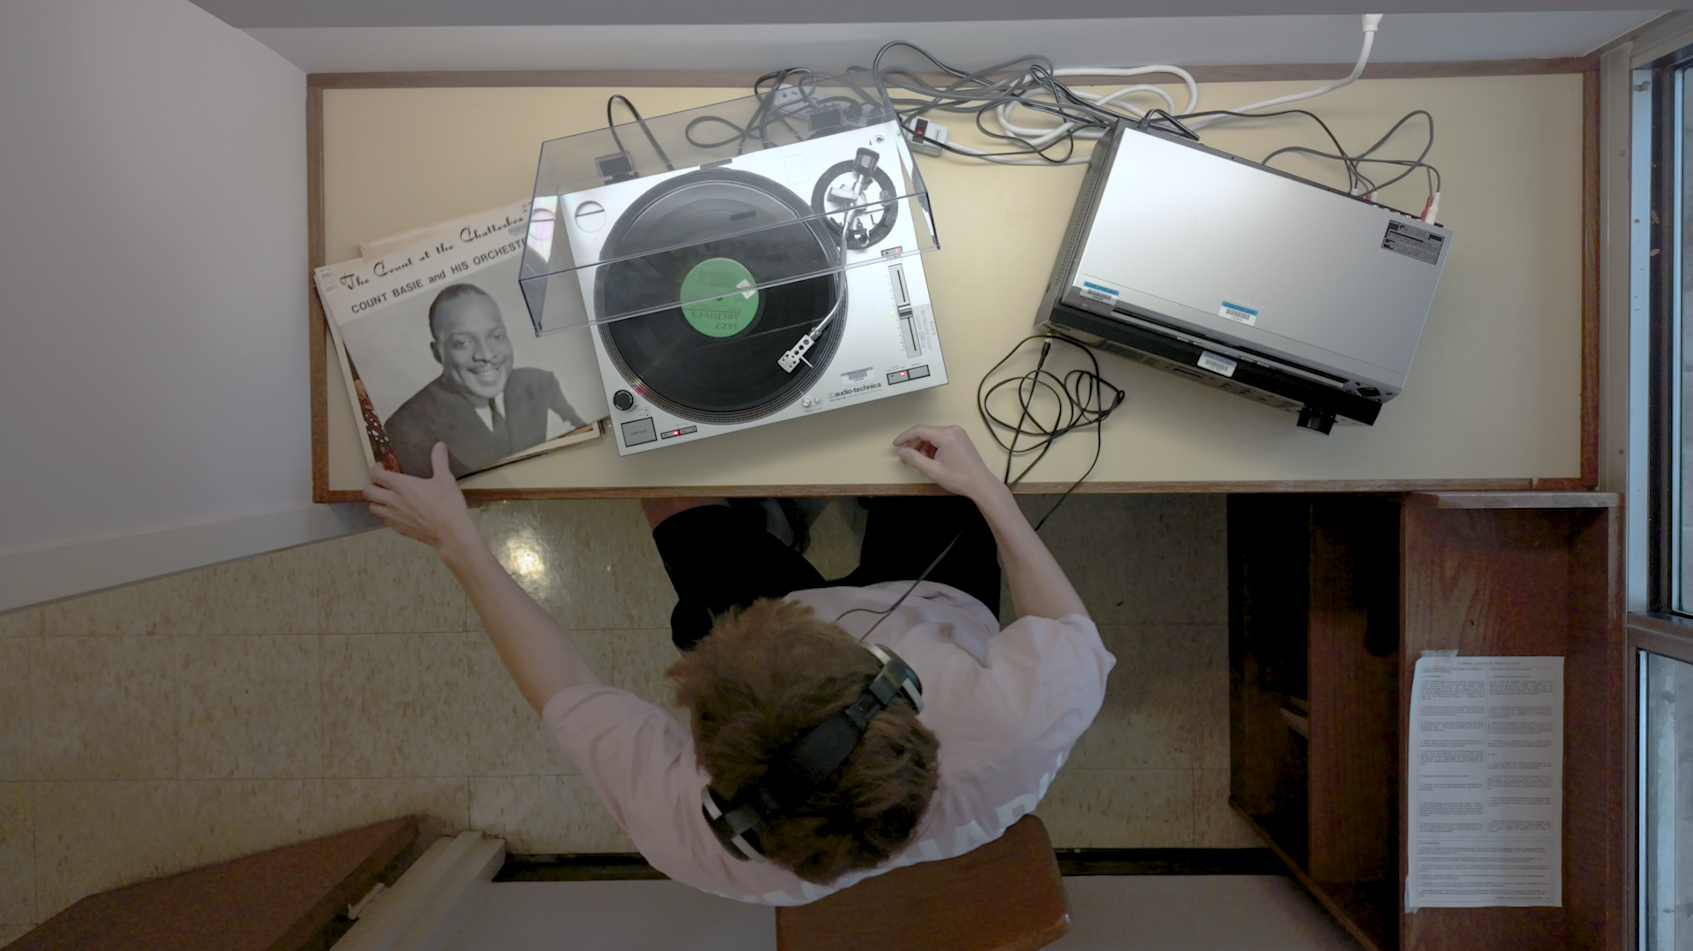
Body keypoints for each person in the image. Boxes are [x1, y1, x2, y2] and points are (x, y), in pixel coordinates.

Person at [363, 423, 1112, 905]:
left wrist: (456, 542)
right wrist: (984, 490)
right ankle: (781, 521)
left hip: (791, 620)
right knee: (924, 435)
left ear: (715, 782)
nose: (816, 619)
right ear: (895, 684)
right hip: (938, 600)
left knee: (663, 489)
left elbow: (564, 690)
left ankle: (760, 526)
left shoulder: (690, 836)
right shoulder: (1026, 720)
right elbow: (1061, 620)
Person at [384, 282, 586, 478]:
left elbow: (586, 438)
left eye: (497, 336)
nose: (486, 354)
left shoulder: (540, 383)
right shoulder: (406, 427)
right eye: (463, 342)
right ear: (438, 353)